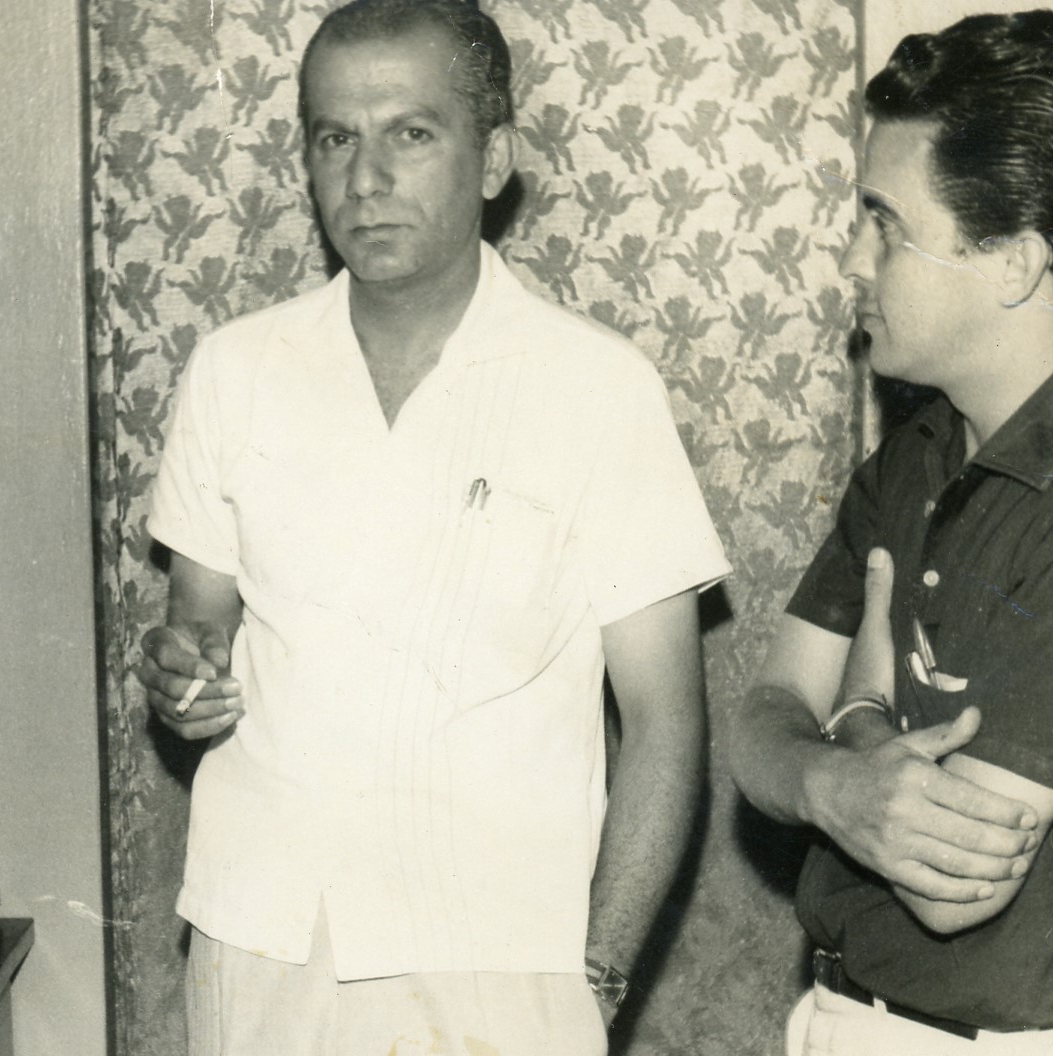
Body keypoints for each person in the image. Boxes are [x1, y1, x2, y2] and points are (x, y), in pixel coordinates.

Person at [134, 1, 730, 1051]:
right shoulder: (236, 371)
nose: (365, 179)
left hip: (500, 967)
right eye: (335, 138)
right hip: (266, 945)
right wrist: (180, 675)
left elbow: (664, 723)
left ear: (493, 158)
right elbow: (199, 631)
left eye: (410, 134)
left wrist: (594, 977)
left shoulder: (597, 389)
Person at [729, 11, 1053, 1055]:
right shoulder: (918, 451)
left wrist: (850, 715)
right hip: (851, 1017)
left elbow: (950, 884)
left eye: (885, 226)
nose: (850, 259)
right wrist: (840, 772)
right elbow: (757, 722)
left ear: (1014, 261)